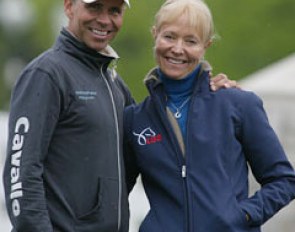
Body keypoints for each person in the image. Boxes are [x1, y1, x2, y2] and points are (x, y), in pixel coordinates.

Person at [2, 0, 237, 231]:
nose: (104, 20)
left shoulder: (116, 86)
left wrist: (205, 95)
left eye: (114, 10)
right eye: (94, 7)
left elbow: (155, 150)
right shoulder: (46, 74)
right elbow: (21, 174)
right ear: (69, 7)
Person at [123, 0, 295, 231]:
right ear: (155, 35)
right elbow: (116, 191)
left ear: (206, 45)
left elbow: (284, 180)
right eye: (170, 36)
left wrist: (242, 216)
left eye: (191, 41)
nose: (177, 48)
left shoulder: (239, 104)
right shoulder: (135, 119)